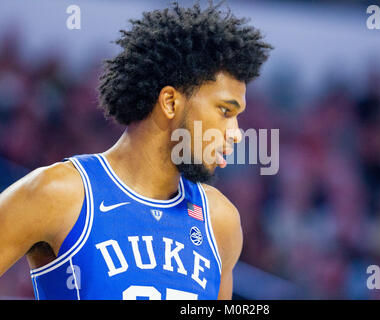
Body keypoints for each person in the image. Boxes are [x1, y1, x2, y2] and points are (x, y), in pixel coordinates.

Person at [0, 1, 272, 299]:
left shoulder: (220, 221)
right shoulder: (58, 193)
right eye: (224, 111)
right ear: (170, 102)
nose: (236, 134)